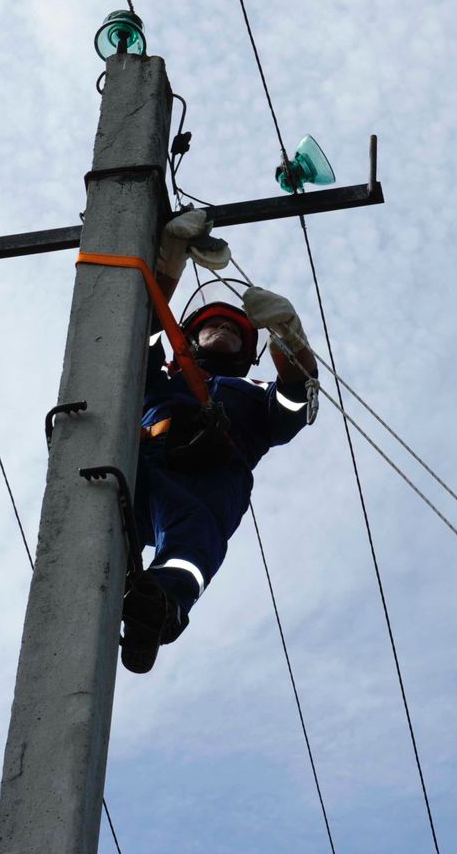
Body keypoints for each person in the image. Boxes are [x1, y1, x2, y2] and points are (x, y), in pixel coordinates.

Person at [120, 209, 319, 673]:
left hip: (206, 481)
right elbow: (138, 323)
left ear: (251, 356)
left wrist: (287, 333)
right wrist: (169, 261)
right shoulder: (156, 380)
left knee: (197, 535)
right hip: (138, 464)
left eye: (236, 330)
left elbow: (296, 403)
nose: (225, 329)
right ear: (187, 340)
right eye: (214, 325)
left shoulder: (251, 395)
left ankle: (160, 604)